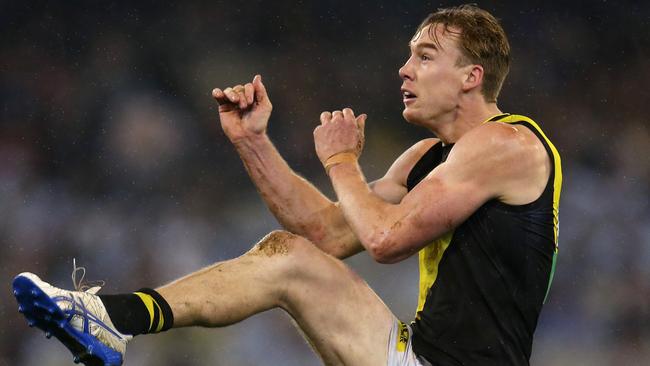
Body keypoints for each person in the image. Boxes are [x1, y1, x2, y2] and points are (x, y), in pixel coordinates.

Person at [12, 4, 562, 366]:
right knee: (289, 256)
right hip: (417, 355)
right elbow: (324, 235)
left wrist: (343, 160)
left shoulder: (507, 145)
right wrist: (253, 141)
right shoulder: (428, 157)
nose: (404, 69)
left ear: (472, 78)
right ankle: (112, 320)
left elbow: (385, 241)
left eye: (424, 56)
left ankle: (110, 320)